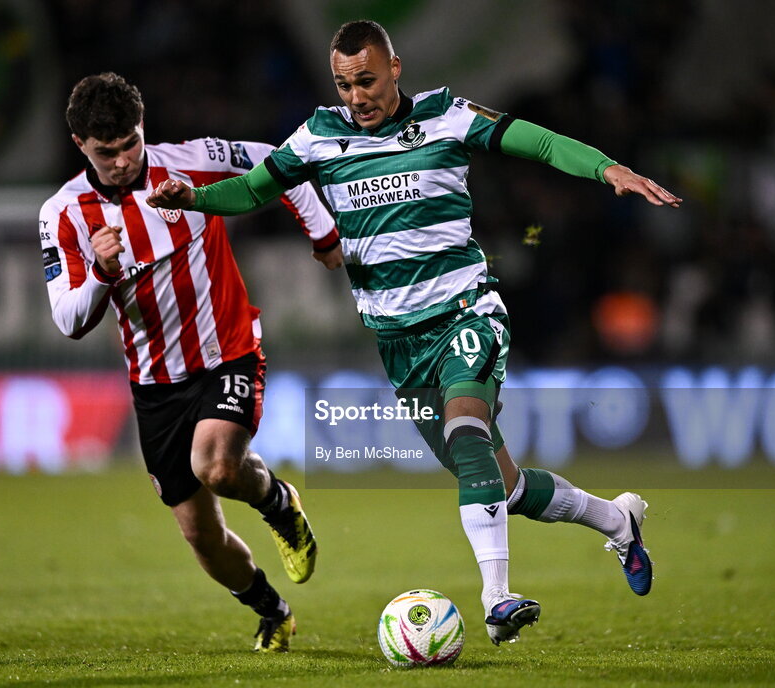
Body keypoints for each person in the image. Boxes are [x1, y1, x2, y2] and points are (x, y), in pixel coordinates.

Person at [147, 21, 682, 646]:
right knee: (501, 488)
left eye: (367, 81)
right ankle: (619, 521)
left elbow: (531, 141)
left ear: (395, 68)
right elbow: (252, 191)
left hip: (464, 310)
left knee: (466, 428)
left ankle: (497, 600)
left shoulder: (447, 116)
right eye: (345, 85)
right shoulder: (319, 136)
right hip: (398, 343)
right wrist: (194, 200)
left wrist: (604, 168)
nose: (357, 97)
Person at [39, 72, 337, 652]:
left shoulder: (195, 161)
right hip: (154, 385)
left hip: (228, 351)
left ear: (142, 125)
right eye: (108, 151)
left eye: (131, 143)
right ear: (80, 144)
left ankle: (279, 504)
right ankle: (271, 609)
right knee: (201, 535)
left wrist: (322, 234)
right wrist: (101, 271)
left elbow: (282, 162)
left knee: (218, 467)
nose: (124, 160)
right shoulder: (63, 215)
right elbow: (69, 320)